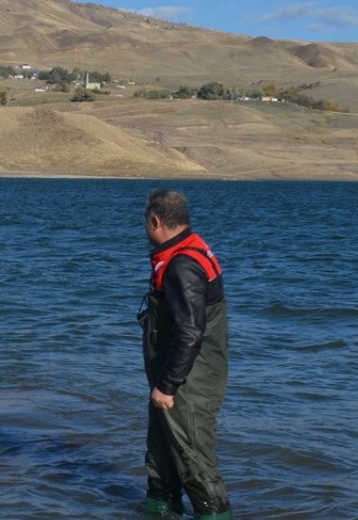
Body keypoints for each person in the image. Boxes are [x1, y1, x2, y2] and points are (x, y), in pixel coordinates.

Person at [138, 189, 232, 519]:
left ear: (156, 221)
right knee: (161, 461)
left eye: (146, 223)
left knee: (195, 465)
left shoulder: (182, 265)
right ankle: (160, 511)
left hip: (186, 385)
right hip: (176, 379)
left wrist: (167, 385)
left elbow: (190, 332)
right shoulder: (188, 249)